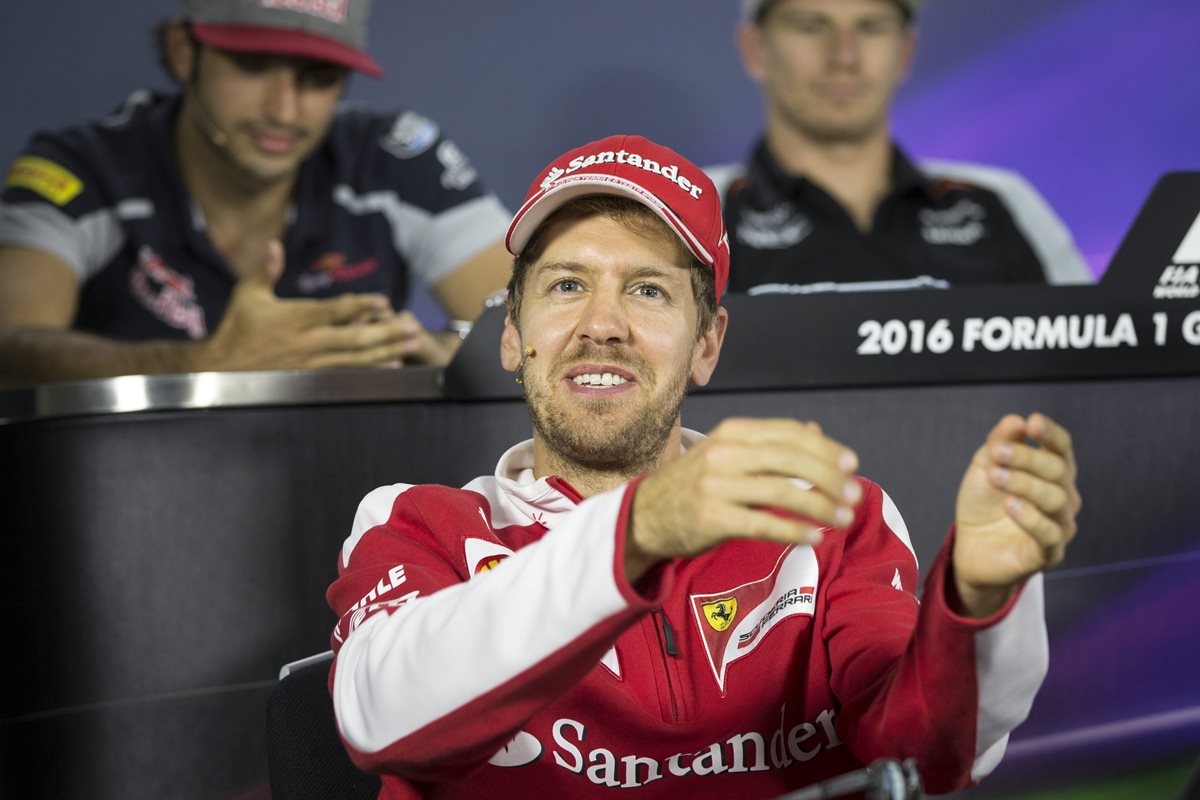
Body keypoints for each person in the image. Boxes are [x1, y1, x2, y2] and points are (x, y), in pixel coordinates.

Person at [326, 134, 1081, 798]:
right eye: (566, 285)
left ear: (707, 345)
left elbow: (928, 753)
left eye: (648, 290)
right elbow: (381, 720)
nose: (602, 325)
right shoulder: (418, 524)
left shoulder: (827, 520)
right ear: (510, 333)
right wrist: (640, 531)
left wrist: (979, 604)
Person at [0, 0, 513, 386]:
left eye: (318, 77)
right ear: (184, 52)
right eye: (253, 66)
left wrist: (439, 358)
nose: (284, 111)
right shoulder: (84, 168)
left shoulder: (396, 160)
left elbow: (536, 332)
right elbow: (10, 347)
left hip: (348, 494)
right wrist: (205, 366)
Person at [711, 0, 1091, 295]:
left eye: (870, 27)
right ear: (754, 48)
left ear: (906, 51)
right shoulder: (694, 209)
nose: (845, 57)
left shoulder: (1003, 202)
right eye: (812, 26)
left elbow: (1097, 366)